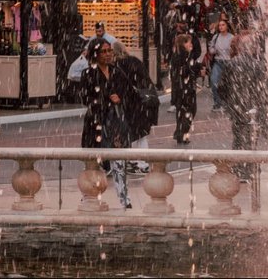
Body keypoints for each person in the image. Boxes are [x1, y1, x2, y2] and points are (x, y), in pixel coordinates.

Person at [81, 39, 131, 209]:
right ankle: (89, 197)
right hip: (96, 121)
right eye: (104, 51)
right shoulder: (89, 74)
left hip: (114, 121)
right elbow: (85, 98)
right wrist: (104, 99)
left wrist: (120, 98)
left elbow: (129, 90)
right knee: (94, 161)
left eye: (110, 50)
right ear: (95, 54)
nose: (108, 54)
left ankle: (124, 198)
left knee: (118, 160)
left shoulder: (117, 72)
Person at [219, 28, 268, 169]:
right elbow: (265, 91)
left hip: (237, 109)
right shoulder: (259, 65)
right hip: (254, 110)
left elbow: (221, 88)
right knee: (252, 140)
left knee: (238, 139)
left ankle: (240, 169)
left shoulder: (231, 64)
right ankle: (251, 169)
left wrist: (230, 104)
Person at [113, 42, 158, 171]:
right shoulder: (134, 61)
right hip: (143, 101)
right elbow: (145, 79)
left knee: (131, 133)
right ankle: (141, 163)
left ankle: (136, 162)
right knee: (141, 134)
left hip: (130, 103)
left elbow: (120, 87)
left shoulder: (117, 66)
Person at [169, 33, 201, 144]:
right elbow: (185, 71)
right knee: (190, 110)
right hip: (184, 88)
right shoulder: (182, 56)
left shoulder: (180, 54)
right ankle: (181, 133)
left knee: (183, 111)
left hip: (181, 88)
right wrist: (197, 68)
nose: (191, 44)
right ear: (183, 43)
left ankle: (181, 134)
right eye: (189, 42)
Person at [206, 13, 235, 112]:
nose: (221, 27)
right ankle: (217, 103)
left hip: (229, 63)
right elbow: (211, 48)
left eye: (223, 25)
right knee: (214, 82)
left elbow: (235, 50)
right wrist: (212, 51)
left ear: (227, 26)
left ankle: (228, 103)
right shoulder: (216, 37)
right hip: (218, 62)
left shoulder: (232, 37)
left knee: (228, 84)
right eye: (220, 25)